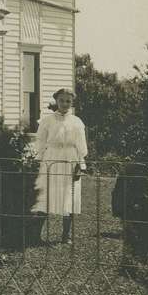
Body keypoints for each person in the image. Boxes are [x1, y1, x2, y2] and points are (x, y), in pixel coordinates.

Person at [33, 88, 88, 244]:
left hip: (70, 159)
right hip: (51, 159)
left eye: (68, 101)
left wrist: (80, 165)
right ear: (56, 101)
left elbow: (81, 147)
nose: (65, 104)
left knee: (69, 196)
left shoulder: (77, 122)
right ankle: (36, 235)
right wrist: (40, 160)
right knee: (46, 194)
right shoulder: (47, 121)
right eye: (62, 100)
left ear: (72, 103)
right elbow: (40, 142)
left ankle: (66, 236)